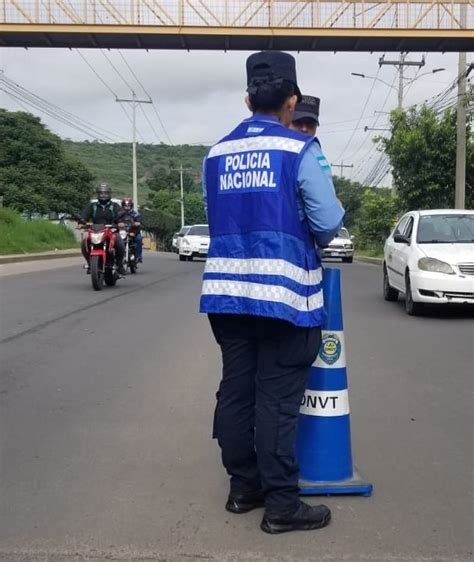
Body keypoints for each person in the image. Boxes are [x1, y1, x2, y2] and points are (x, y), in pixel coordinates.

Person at [200, 51, 344, 535]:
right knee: (276, 400)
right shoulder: (298, 149)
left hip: (225, 295)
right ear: (292, 100)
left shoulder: (216, 153)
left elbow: (218, 214)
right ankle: (282, 504)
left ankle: (244, 489)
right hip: (283, 297)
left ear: (246, 99)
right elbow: (327, 221)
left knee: (237, 390)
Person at [80, 182, 126, 275]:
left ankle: (120, 265)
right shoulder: (92, 206)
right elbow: (84, 215)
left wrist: (121, 222)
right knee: (84, 242)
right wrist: (81, 222)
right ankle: (90, 263)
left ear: (109, 194)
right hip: (95, 231)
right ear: (98, 194)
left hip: (111, 230)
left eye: (105, 193)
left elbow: (120, 213)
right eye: (101, 193)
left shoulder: (114, 206)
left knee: (120, 243)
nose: (103, 195)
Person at [121, 197, 143, 263]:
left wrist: (138, 223)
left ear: (131, 206)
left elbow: (139, 220)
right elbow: (115, 220)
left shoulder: (135, 214)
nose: (127, 207)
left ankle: (138, 256)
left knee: (138, 239)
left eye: (128, 205)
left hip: (133, 231)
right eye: (125, 205)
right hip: (123, 232)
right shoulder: (120, 213)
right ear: (123, 205)